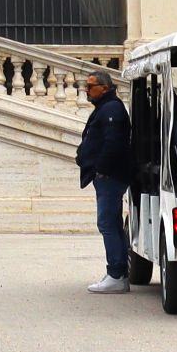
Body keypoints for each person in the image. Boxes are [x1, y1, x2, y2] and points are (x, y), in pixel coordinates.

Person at [76, 69, 131, 294]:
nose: (86, 90)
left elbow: (113, 143)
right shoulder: (106, 108)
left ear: (104, 88)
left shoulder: (111, 110)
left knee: (107, 223)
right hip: (108, 175)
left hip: (110, 176)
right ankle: (117, 273)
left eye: (91, 86)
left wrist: (102, 170)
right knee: (112, 223)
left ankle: (116, 274)